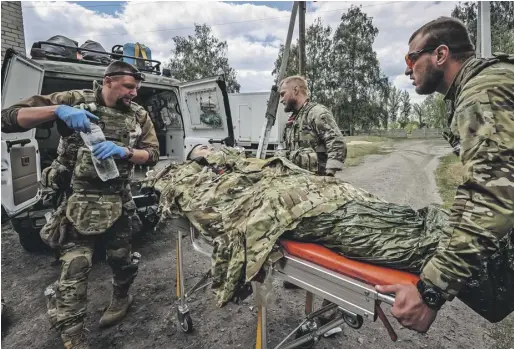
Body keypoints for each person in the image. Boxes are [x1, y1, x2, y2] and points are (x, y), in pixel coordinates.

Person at [144, 145, 505, 324]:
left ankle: (487, 246)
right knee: (396, 240)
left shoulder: (241, 158)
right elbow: (208, 205)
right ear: (196, 160)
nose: (209, 152)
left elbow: (282, 168)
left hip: (326, 195)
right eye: (202, 152)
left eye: (210, 148)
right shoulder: (193, 176)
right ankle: (489, 268)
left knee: (405, 218)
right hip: (302, 212)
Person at [1, 60, 160, 349]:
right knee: (75, 269)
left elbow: (152, 154)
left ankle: (122, 297)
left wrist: (125, 152)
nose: (134, 93)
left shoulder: (138, 115)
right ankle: (73, 338)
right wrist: (57, 111)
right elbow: (8, 117)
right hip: (78, 199)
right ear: (108, 80)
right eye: (129, 86)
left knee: (121, 259)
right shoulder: (74, 100)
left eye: (136, 88)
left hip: (118, 199)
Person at [375, 16, 514, 333]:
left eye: (411, 58)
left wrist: (431, 292)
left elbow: (491, 200)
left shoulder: (482, 93)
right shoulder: (489, 83)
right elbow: (477, 188)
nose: (408, 70)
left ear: (440, 55)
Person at [278, 75, 347, 176]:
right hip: (300, 183)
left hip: (317, 183)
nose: (281, 99)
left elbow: (337, 143)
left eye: (283, 94)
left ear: (295, 90)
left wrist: (329, 175)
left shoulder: (316, 113)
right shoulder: (294, 119)